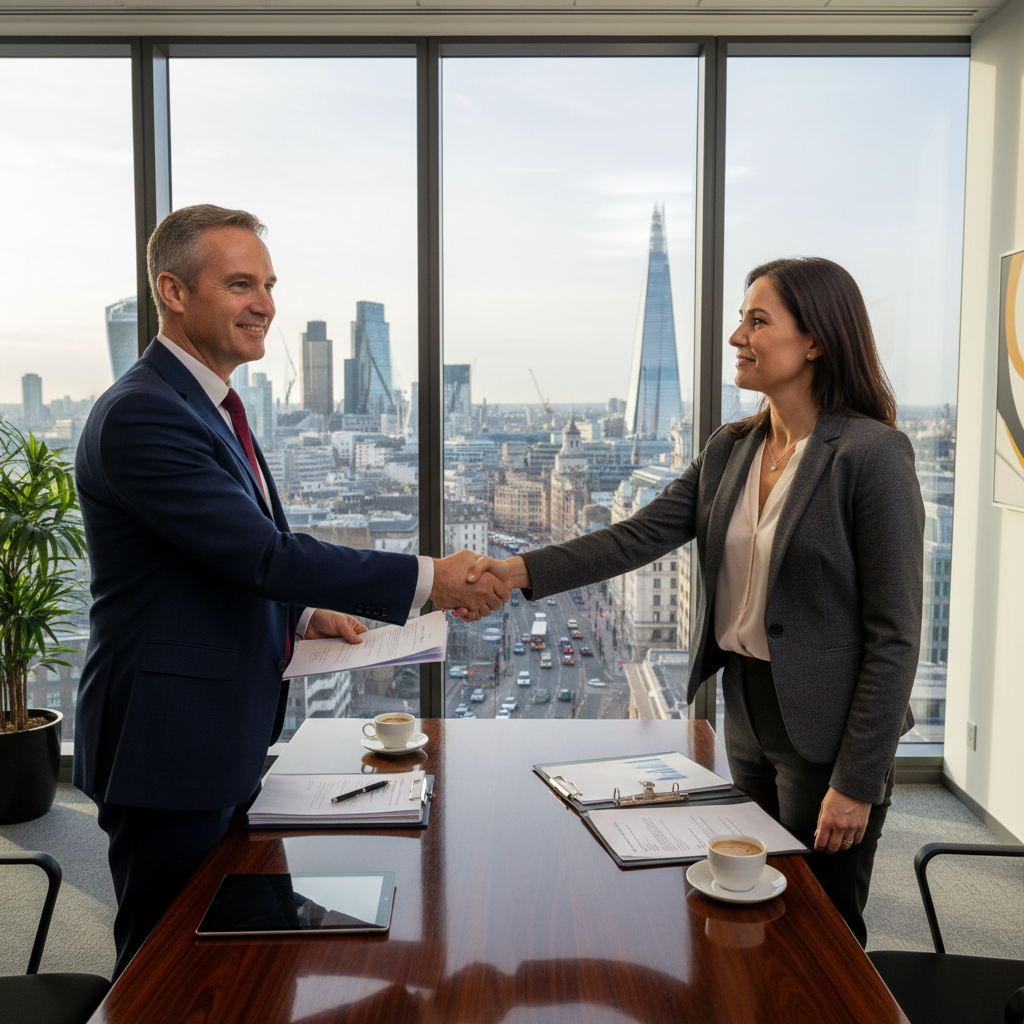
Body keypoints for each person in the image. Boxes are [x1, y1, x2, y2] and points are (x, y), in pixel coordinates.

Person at [73, 203, 509, 979]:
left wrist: (306, 611)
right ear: (173, 291)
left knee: (231, 948)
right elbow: (264, 554)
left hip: (214, 730)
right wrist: (428, 579)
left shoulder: (206, 406)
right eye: (241, 283)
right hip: (165, 741)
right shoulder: (143, 414)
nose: (265, 303)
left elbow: (219, 558)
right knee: (165, 965)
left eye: (269, 284)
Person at [464, 257, 924, 946]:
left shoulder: (872, 455)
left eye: (758, 320)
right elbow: (638, 537)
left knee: (824, 925)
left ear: (817, 340)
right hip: (747, 710)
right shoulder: (731, 447)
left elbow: (895, 636)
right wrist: (517, 571)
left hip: (831, 728)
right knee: (755, 903)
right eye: (741, 318)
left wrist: (857, 781)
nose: (737, 335)